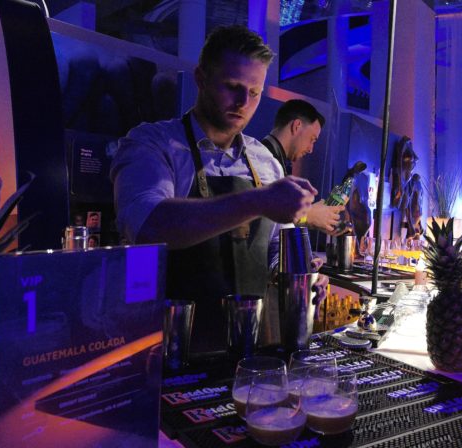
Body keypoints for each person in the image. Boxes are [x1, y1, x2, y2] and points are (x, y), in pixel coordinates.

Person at [110, 26, 328, 351]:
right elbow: (147, 225)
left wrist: (301, 276)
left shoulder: (264, 160)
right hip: (170, 349)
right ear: (201, 78)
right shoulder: (153, 144)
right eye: (232, 87)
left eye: (254, 93)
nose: (243, 102)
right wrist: (257, 201)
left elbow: (272, 252)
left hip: (249, 348)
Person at [262, 99, 344, 235]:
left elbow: (276, 215)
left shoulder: (273, 158)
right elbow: (263, 215)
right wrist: (308, 215)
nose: (311, 149)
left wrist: (312, 214)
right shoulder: (264, 159)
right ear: (297, 126)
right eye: (312, 139)